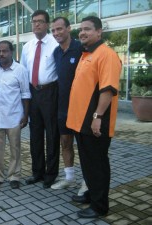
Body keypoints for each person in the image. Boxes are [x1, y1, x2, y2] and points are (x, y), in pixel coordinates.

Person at [67, 16, 122, 218]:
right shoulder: (86, 54)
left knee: (97, 164)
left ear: (99, 32)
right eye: (81, 29)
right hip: (81, 122)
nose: (82, 32)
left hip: (95, 122)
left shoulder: (106, 55)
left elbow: (108, 90)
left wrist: (97, 116)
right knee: (88, 162)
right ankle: (91, 193)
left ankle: (100, 206)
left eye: (87, 29)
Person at [20, 9, 60, 188]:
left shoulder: (55, 43)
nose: (36, 24)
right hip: (32, 93)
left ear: (47, 24)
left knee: (52, 134)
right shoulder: (27, 46)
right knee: (35, 135)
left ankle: (51, 174)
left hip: (50, 92)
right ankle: (37, 172)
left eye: (40, 21)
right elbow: (22, 72)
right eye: (34, 21)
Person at [50, 17, 88, 196]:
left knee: (83, 146)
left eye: (59, 29)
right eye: (54, 31)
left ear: (68, 29)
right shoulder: (56, 52)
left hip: (81, 108)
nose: (56, 33)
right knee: (65, 142)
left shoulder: (81, 48)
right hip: (63, 107)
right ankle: (69, 177)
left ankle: (87, 182)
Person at [0, 41, 30, 189]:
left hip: (14, 116)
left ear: (11, 52)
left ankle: (14, 176)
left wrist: (26, 115)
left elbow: (25, 93)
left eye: (4, 51)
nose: (1, 54)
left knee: (15, 148)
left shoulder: (20, 70)